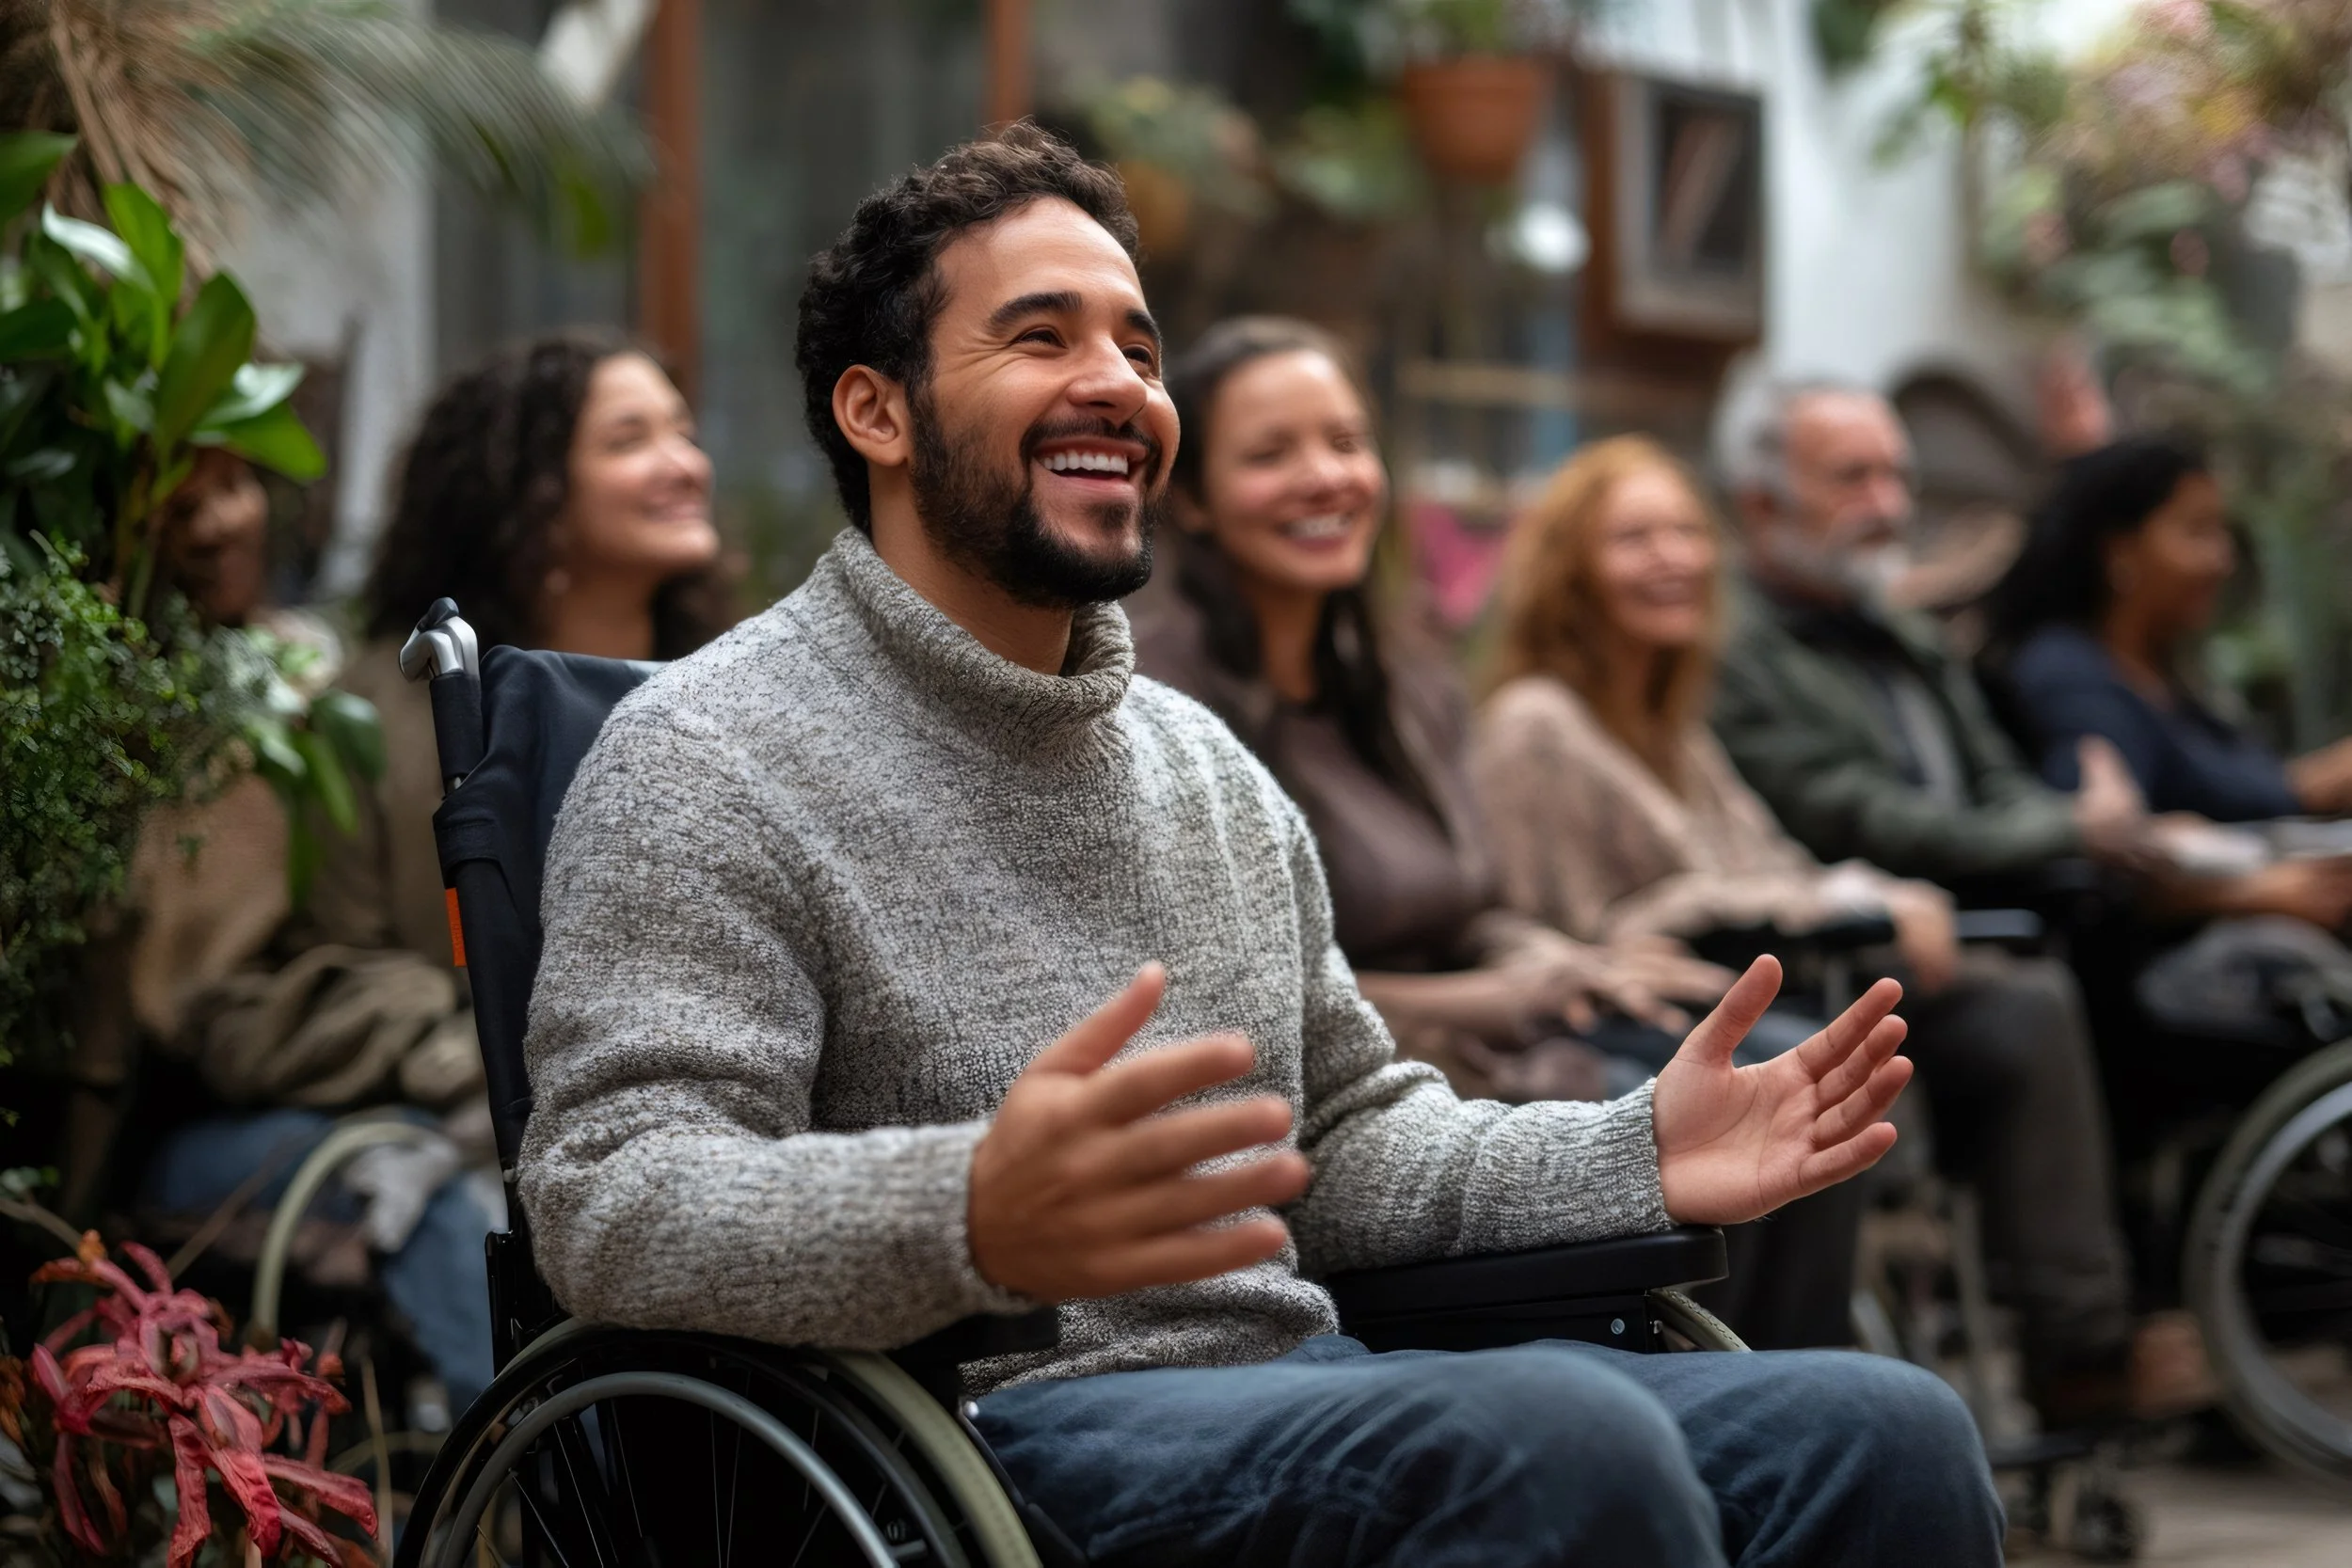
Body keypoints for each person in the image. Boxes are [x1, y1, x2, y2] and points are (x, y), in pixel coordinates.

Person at [518, 127, 1999, 1566]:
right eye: (1042, 337)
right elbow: (609, 1193)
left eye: (1142, 350)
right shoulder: (709, 753)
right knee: (1549, 1436)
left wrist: (1630, 1153)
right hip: (976, 1435)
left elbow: (1345, 1141)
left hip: (1295, 1390)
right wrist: (964, 1207)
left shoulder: (1201, 765)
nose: (1118, 385)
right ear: (878, 412)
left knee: (1882, 1425)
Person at [1133, 318, 1864, 1352]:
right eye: (1270, 453)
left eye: (1345, 442)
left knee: (1792, 1088)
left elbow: (1476, 907)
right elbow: (1234, 1013)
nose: (1324, 477)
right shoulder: (1165, 709)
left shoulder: (1404, 682)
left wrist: (1561, 960)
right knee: (1721, 1118)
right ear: (1191, 497)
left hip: (1501, 1036)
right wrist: (1506, 990)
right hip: (1362, 1102)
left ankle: (1768, 1409)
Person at [1475, 433, 2144, 1415]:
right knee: (1846, 1053)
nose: (1670, 556)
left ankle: (2075, 1351)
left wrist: (1857, 893)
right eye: (1632, 538)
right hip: (1638, 1024)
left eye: (1679, 532)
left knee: (2025, 997)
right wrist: (1854, 900)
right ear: (1570, 569)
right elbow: (1565, 920)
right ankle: (1795, 1398)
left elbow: (1765, 862)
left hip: (1751, 984)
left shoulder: (1671, 724)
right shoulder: (1536, 720)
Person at [139, 331, 728, 1415]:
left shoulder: (728, 697)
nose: (685, 462)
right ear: (530, 495)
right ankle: (548, 1475)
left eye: (684, 432)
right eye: (631, 438)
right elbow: (268, 986)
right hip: (435, 1117)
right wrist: (465, 1045)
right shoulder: (378, 713)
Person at [1711, 382, 2155, 892]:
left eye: (1898, 476)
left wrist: (2079, 823)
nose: (1889, 505)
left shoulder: (1906, 630)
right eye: (1853, 478)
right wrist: (2069, 828)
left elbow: (1996, 777)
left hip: (1998, 910)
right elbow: (1861, 822)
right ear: (1762, 505)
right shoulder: (1730, 645)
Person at [1987, 436, 2352, 916]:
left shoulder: (2164, 670)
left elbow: (2263, 790)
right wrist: (2245, 893)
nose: (2222, 560)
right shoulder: (2070, 676)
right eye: (2197, 532)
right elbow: (2107, 851)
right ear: (2120, 551)